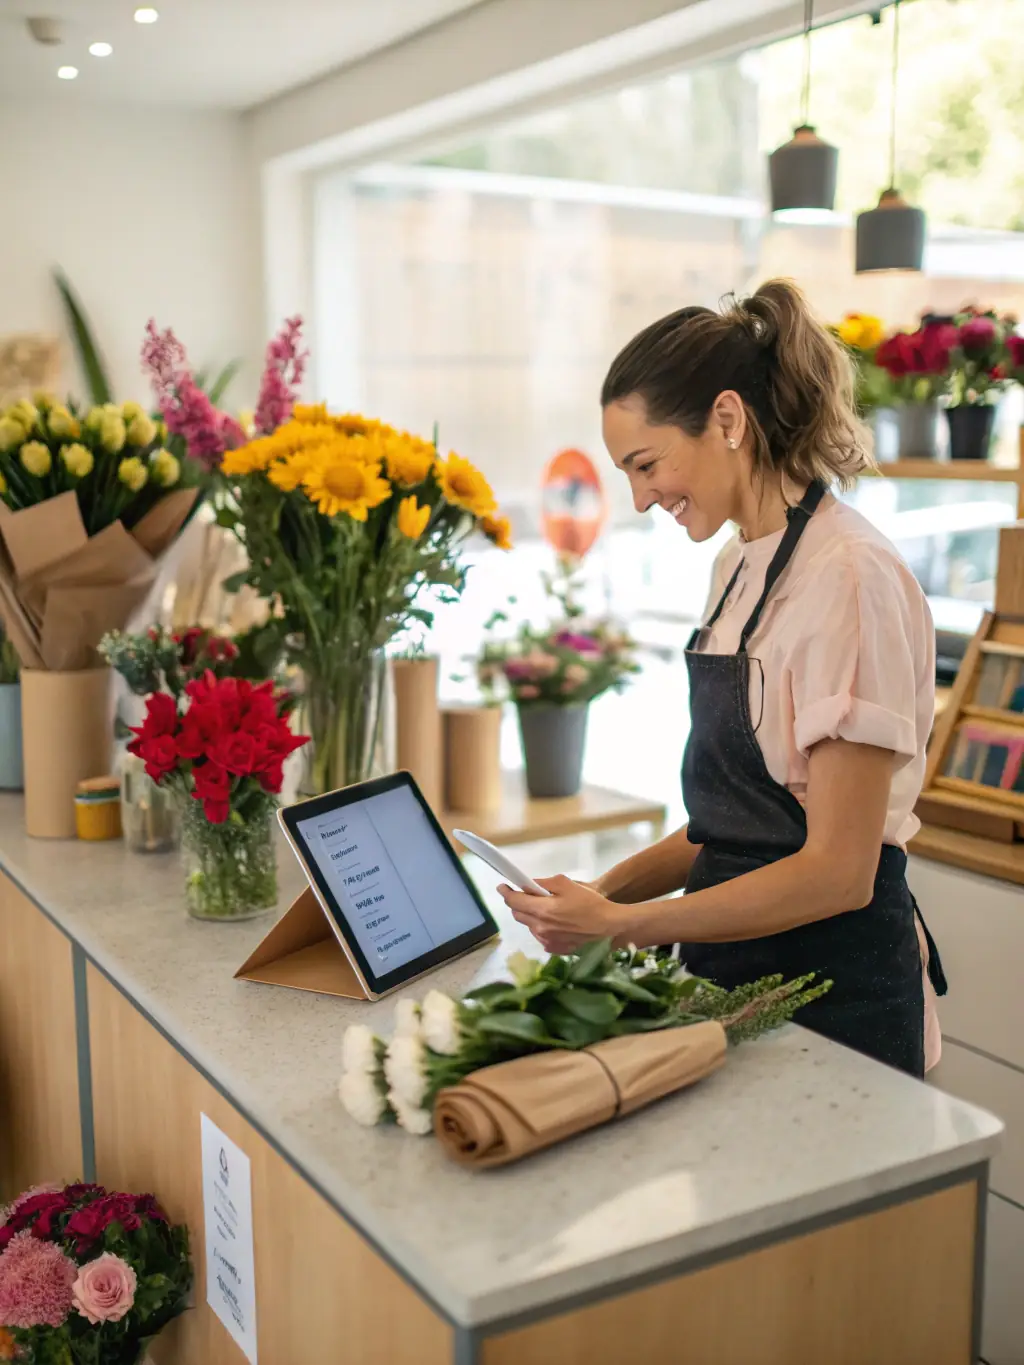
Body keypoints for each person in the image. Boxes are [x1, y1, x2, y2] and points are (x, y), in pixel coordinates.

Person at [500, 279, 946, 1078]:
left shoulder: (849, 576)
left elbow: (838, 870)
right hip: (734, 980)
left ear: (729, 420)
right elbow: (738, 825)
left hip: (836, 1004)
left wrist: (621, 926)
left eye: (646, 463)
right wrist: (605, 893)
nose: (639, 498)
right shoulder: (736, 565)